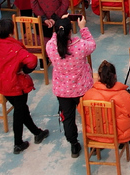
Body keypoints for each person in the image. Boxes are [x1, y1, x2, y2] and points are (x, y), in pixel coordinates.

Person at [0, 18, 50, 153]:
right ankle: (18, 143)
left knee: (22, 109)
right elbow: (32, 60)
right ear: (12, 31)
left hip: (0, 84)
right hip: (14, 84)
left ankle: (37, 132)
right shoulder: (16, 48)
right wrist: (24, 70)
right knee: (19, 112)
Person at [46, 16, 95, 158]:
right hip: (82, 89)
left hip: (62, 91)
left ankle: (73, 144)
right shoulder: (79, 46)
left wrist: (60, 25)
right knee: (88, 116)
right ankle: (93, 139)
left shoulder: (51, 46)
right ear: (70, 32)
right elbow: (92, 44)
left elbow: (55, 37)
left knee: (67, 118)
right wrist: (83, 28)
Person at [81, 61, 130, 146]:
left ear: (99, 76)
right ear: (115, 76)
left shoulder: (89, 94)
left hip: (94, 134)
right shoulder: (123, 95)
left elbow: (81, 111)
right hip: (119, 136)